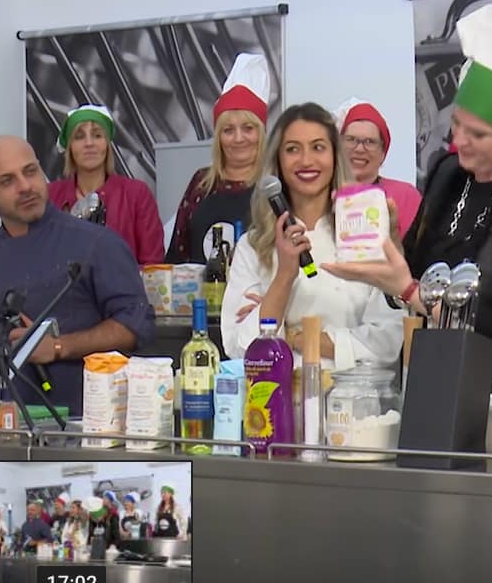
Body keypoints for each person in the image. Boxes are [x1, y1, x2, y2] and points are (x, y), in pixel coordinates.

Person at [322, 2, 492, 405]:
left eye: (478, 134)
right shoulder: (449, 175)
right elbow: (416, 271)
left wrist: (409, 290)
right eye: (457, 125)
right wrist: (391, 248)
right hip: (452, 380)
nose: (459, 141)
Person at [0, 135, 155, 414]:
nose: (25, 186)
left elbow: (136, 325)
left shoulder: (97, 244)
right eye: (7, 181)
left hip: (86, 423)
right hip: (2, 424)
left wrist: (59, 346)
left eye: (30, 172)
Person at [220, 102, 403, 371]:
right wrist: (284, 276)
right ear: (278, 160)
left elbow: (388, 342)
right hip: (275, 394)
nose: (306, 160)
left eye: (318, 147)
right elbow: (240, 346)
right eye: (292, 149)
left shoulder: (364, 236)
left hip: (354, 394)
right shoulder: (253, 246)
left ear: (334, 157)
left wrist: (296, 337)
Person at [165, 53, 270, 264]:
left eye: (248, 128)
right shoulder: (202, 182)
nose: (238, 138)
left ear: (261, 133)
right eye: (228, 130)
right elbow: (178, 252)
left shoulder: (273, 185)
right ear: (218, 138)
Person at [46, 104, 165, 265]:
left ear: (107, 145)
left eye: (97, 135)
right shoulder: (50, 196)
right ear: (69, 147)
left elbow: (152, 263)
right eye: (79, 137)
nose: (89, 143)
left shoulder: (136, 194)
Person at [333, 98, 422, 239]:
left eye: (370, 142)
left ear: (383, 153)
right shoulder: (322, 195)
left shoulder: (406, 196)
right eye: (351, 139)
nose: (359, 149)